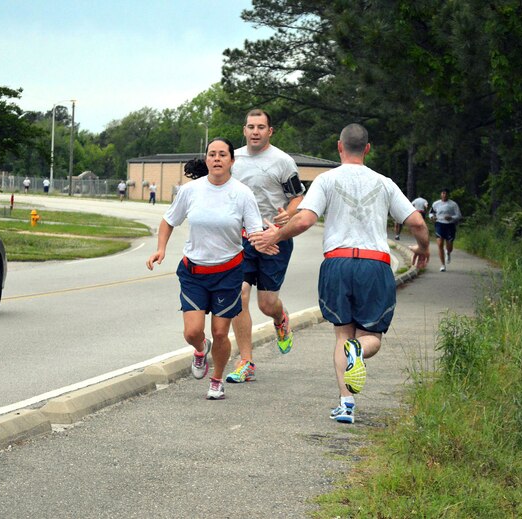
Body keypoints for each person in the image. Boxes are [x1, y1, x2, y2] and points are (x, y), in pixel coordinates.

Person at [249, 123, 430, 424]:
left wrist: (275, 236)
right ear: (368, 149)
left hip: (337, 262)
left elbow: (305, 220)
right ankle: (359, 350)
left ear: (339, 147)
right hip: (374, 263)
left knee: (341, 335)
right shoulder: (384, 182)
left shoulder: (326, 180)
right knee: (370, 336)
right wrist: (422, 249)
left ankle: (346, 404)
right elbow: (418, 223)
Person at [146, 138, 274, 400]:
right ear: (206, 160)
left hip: (228, 273)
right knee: (193, 332)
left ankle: (216, 380)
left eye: (222, 154)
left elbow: (253, 232)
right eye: (212, 154)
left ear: (231, 161)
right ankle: (200, 348)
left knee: (220, 331)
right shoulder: (191, 191)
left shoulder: (242, 193)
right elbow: (169, 220)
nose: (217, 159)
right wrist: (161, 248)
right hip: (194, 272)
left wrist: (267, 239)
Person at [225, 108, 306, 385]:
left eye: (261, 127)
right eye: (251, 127)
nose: (255, 131)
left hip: (274, 237)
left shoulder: (283, 161)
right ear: (244, 130)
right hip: (243, 238)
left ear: (270, 131)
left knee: (266, 303)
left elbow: (298, 198)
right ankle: (245, 361)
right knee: (240, 295)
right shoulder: (233, 160)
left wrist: (289, 214)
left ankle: (280, 317)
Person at [428, 188, 462, 272]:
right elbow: (431, 213)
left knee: (449, 246)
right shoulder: (436, 204)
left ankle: (448, 252)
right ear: (441, 194)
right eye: (443, 193)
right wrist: (432, 217)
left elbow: (459, 215)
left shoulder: (453, 204)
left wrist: (451, 217)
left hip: (450, 225)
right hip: (439, 224)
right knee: (440, 244)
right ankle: (443, 265)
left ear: (448, 195)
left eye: (446, 194)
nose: (444, 195)